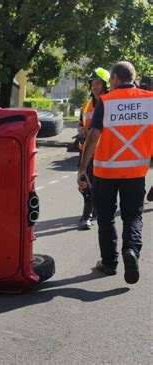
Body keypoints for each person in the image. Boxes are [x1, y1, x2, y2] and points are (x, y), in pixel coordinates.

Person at [77, 61, 153, 284]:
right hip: (136, 172)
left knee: (107, 218)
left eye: (110, 79)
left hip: (105, 172)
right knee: (133, 216)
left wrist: (83, 169)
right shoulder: (149, 99)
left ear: (116, 79)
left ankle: (109, 263)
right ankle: (131, 250)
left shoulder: (106, 102)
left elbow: (93, 137)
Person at [77, 68, 110, 230]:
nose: (95, 86)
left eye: (98, 83)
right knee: (84, 182)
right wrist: (81, 131)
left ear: (105, 85)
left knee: (98, 184)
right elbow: (80, 124)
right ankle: (89, 212)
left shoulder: (110, 103)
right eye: (93, 83)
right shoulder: (87, 104)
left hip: (104, 151)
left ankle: (90, 213)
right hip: (86, 150)